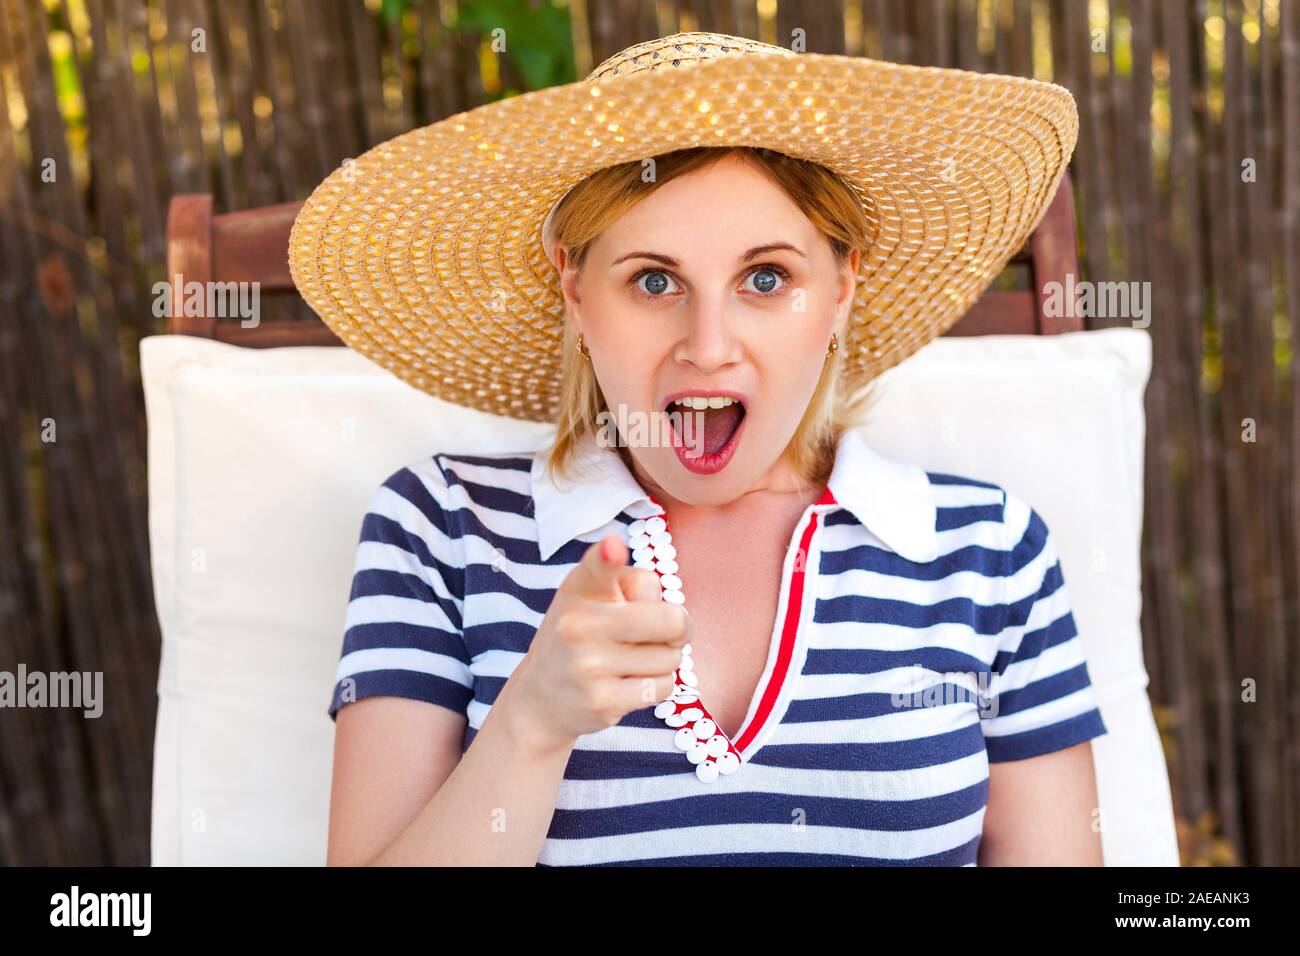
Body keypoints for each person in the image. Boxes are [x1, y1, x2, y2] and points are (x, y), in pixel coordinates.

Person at [289, 31, 1107, 866]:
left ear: (842, 289)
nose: (708, 346)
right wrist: (531, 724)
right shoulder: (440, 529)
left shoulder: (990, 549)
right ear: (575, 292)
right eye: (653, 280)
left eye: (765, 279)